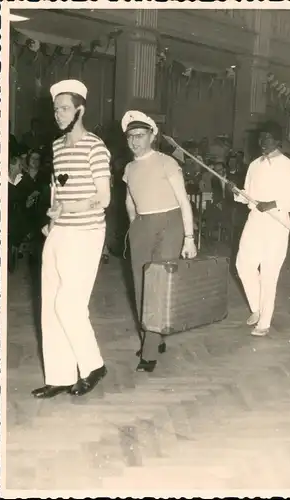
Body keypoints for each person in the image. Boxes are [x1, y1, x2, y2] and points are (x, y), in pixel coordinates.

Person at [32, 79, 111, 399]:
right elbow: (57, 188)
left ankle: (93, 366)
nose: (58, 114)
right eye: (55, 109)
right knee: (50, 303)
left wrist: (69, 207)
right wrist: (53, 214)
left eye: (64, 108)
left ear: (81, 109)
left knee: (69, 303)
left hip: (86, 231)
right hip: (60, 230)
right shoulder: (56, 147)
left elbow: (103, 198)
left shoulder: (95, 146)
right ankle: (60, 376)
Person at [122, 110, 197, 373]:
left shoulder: (167, 162)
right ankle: (156, 337)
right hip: (142, 225)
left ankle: (150, 350)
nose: (135, 142)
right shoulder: (129, 168)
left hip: (170, 225)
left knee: (157, 285)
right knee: (141, 286)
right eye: (130, 137)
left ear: (152, 136)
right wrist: (134, 224)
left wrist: (189, 238)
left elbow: (184, 201)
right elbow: (130, 199)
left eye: (140, 136)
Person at [232, 121, 290, 336]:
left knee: (269, 272)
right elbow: (249, 195)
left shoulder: (289, 166)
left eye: (268, 138)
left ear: (278, 141)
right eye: (261, 138)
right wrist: (237, 193)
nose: (263, 142)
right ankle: (257, 308)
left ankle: (264, 321)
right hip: (254, 220)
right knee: (243, 265)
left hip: (277, 222)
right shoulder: (254, 165)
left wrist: (273, 203)